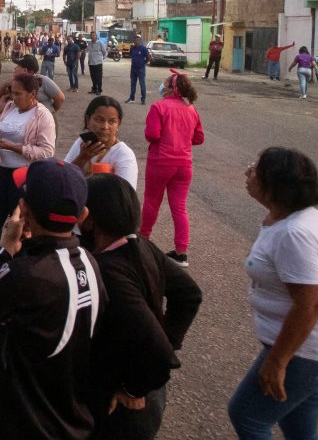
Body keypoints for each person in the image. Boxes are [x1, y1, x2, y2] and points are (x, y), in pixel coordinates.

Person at [0, 159, 106, 440]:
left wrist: (4, 249)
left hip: (22, 423)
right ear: (82, 216)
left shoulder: (24, 275)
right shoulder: (88, 261)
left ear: (22, 209)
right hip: (68, 418)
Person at [228, 148, 318, 440]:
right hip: (309, 348)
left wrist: (277, 361)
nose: (248, 173)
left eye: (254, 170)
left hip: (306, 351)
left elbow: (310, 305)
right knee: (299, 428)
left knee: (247, 416)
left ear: (274, 187)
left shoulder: (294, 233)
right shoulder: (294, 217)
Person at [82, 174, 202, 440]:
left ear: (92, 218)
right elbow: (189, 294)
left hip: (125, 404)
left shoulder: (110, 271)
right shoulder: (140, 245)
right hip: (145, 388)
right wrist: (169, 338)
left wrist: (134, 387)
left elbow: (159, 354)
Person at [0, 73, 56, 261]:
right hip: (5, 171)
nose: (14, 98)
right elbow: (2, 131)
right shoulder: (10, 107)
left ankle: (18, 265)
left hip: (24, 175)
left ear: (32, 94)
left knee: (18, 224)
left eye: (19, 94)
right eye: (12, 93)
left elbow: (46, 152)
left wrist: (14, 148)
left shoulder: (42, 116)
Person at [140, 72, 204, 268]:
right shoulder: (191, 109)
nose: (162, 86)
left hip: (161, 162)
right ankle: (181, 253)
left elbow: (152, 134)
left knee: (152, 202)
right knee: (179, 207)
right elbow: (199, 138)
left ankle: (143, 242)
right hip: (184, 165)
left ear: (171, 88)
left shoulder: (159, 107)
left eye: (165, 83)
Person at [63, 95, 139, 188]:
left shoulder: (124, 154)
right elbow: (63, 178)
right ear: (88, 120)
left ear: (118, 124)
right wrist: (82, 158)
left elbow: (126, 197)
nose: (105, 127)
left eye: (111, 122)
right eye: (99, 120)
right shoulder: (81, 143)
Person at [128, 33, 151, 104]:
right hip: (133, 69)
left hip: (141, 69)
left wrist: (143, 63)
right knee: (132, 84)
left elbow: (148, 58)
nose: (136, 41)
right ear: (134, 41)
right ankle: (132, 99)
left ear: (140, 41)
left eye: (138, 40)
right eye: (135, 40)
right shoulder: (132, 48)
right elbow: (130, 55)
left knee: (142, 84)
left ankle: (143, 100)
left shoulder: (143, 48)